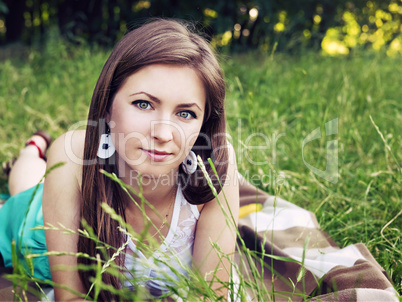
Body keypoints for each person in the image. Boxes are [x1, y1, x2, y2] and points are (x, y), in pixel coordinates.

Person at [0, 19, 239, 301]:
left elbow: (211, 295)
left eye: (185, 113)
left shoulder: (214, 167)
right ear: (108, 106)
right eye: (143, 104)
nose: (163, 134)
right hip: (42, 223)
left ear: (203, 125)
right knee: (25, 192)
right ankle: (34, 147)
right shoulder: (72, 156)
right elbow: (71, 297)